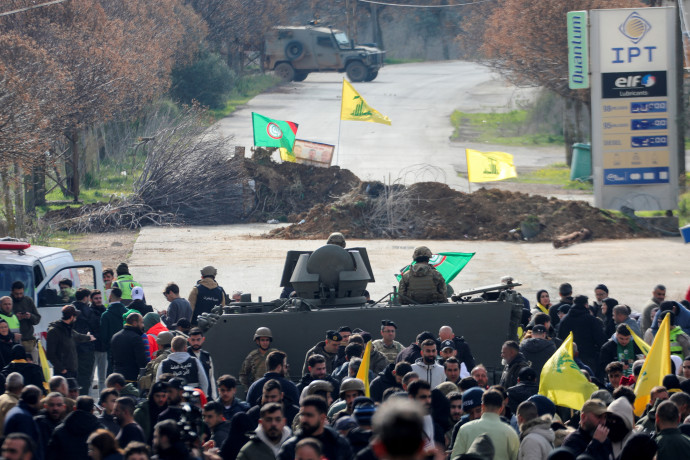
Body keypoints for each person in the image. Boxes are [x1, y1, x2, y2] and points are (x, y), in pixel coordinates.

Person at [277, 395, 353, 460]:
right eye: (302, 415)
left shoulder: (339, 445)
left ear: (322, 417)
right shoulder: (289, 447)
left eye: (309, 415)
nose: (304, 419)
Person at [451, 389, 519, 460]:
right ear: (501, 408)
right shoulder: (511, 432)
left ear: (482, 406)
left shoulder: (464, 429)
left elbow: (455, 457)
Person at [558, 295, 606, 372]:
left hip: (568, 358)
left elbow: (560, 338)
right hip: (589, 357)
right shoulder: (591, 320)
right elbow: (600, 339)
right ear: (586, 305)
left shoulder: (564, 320)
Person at [46, 305, 95, 379]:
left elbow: (77, 336)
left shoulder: (68, 328)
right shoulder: (54, 331)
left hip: (72, 370)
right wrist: (62, 369)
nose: (76, 319)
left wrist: (89, 337)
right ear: (72, 317)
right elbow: (50, 354)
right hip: (62, 373)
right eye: (75, 317)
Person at [46, 396, 102, 460]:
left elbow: (51, 456)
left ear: (75, 408)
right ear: (92, 411)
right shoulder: (101, 431)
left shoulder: (60, 430)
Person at [4, 386, 43, 460]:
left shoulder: (16, 411)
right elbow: (26, 445)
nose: (40, 403)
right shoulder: (24, 417)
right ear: (34, 400)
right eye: (39, 399)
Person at [111, 312, 150, 384]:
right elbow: (141, 360)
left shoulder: (115, 336)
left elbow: (112, 358)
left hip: (117, 376)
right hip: (132, 378)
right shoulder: (136, 338)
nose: (143, 325)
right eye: (141, 322)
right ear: (135, 323)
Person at [10, 281, 41, 361]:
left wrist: (30, 316)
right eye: (17, 294)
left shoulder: (28, 301)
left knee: (34, 368)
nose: (19, 296)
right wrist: (15, 317)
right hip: (14, 343)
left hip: (29, 341)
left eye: (21, 293)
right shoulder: (8, 302)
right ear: (12, 292)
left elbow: (37, 319)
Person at [100, 288, 127, 375]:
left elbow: (103, 336)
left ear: (110, 296)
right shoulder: (127, 312)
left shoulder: (105, 315)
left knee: (112, 372)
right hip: (127, 346)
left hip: (111, 349)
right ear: (120, 298)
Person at [88, 290, 108, 392]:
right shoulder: (89, 312)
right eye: (96, 298)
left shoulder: (105, 311)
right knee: (90, 377)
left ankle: (102, 400)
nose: (99, 300)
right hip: (93, 348)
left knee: (103, 378)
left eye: (100, 298)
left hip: (103, 348)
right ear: (91, 300)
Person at [187, 327, 215, 398]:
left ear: (203, 339)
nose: (196, 342)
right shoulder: (186, 355)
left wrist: (214, 396)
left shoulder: (206, 356)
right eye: (193, 340)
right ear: (189, 340)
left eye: (198, 340)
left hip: (206, 395)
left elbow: (211, 377)